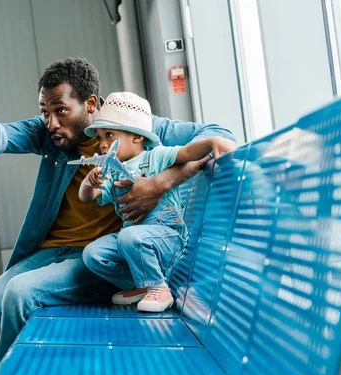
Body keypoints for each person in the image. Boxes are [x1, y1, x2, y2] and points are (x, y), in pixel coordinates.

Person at [0, 57, 235, 367]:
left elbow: (218, 135)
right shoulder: (49, 136)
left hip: (96, 258)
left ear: (90, 103)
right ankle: (45, 370)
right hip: (46, 254)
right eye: (45, 112)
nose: (51, 122)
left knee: (21, 293)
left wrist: (159, 184)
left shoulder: (138, 127)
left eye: (61, 110)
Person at [79, 92, 236, 312]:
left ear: (137, 136)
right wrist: (89, 182)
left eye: (109, 135)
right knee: (93, 254)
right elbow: (87, 197)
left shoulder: (157, 156)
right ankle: (141, 284)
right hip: (132, 239)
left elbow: (188, 152)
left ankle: (159, 288)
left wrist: (211, 142)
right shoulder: (111, 172)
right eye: (100, 138)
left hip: (167, 236)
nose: (102, 145)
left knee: (129, 236)